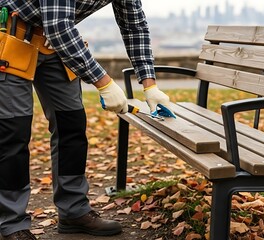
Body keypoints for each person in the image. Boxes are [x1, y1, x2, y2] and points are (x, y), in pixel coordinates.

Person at [0, 1, 170, 239]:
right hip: (12, 34)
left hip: (56, 43)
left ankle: (74, 211)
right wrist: (105, 83)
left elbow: (134, 26)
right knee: (13, 132)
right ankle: (11, 223)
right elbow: (58, 25)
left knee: (72, 125)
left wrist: (149, 84)